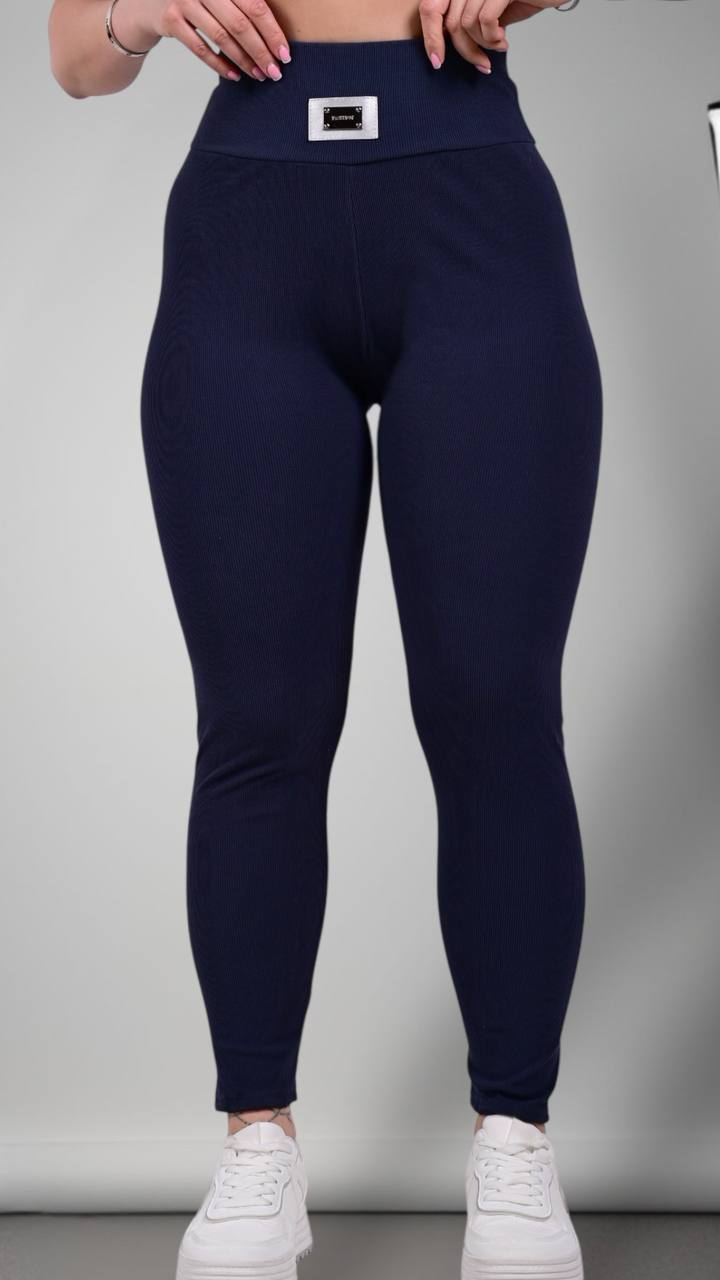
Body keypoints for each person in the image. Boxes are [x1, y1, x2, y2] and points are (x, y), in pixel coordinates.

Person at [48, 0, 599, 1276]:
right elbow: (75, 58)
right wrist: (143, 7)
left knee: (496, 705)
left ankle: (514, 1139)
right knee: (259, 719)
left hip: (474, 210)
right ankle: (259, 1139)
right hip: (247, 228)